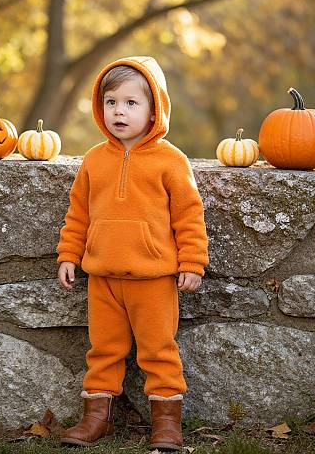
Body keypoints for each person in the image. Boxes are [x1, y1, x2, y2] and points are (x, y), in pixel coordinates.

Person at [56, 56, 209, 451]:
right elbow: (79, 214)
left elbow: (189, 215)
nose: (119, 111)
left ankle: (167, 425)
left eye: (131, 103)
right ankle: (96, 418)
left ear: (154, 108)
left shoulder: (171, 160)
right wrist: (69, 254)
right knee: (103, 350)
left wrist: (192, 261)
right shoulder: (94, 160)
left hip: (154, 279)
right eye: (111, 102)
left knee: (159, 352)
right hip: (103, 277)